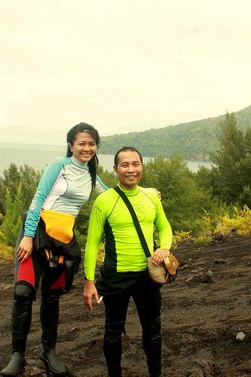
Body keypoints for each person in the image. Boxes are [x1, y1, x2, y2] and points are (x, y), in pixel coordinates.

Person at [0, 123, 108, 377]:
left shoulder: (93, 176)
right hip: (37, 233)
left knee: (51, 296)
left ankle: (48, 353)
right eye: (82, 143)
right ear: (71, 145)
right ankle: (17, 356)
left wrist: (147, 192)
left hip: (63, 241)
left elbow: (114, 196)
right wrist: (27, 236)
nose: (87, 148)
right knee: (23, 291)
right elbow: (38, 199)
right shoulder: (59, 165)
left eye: (91, 144)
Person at [83, 147, 173, 377]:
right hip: (116, 277)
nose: (131, 169)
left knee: (153, 329)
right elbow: (92, 243)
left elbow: (164, 226)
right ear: (115, 169)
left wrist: (164, 248)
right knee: (113, 330)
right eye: (125, 165)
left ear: (142, 166)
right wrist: (89, 281)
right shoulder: (104, 201)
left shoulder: (151, 196)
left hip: (147, 276)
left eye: (136, 164)